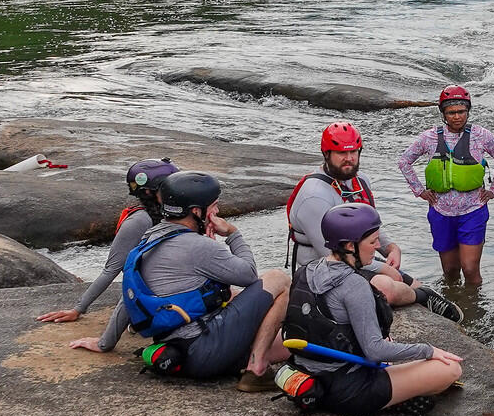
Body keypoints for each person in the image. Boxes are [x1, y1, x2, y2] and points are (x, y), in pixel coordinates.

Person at [70, 170, 291, 390]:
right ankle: (257, 370)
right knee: (278, 279)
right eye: (214, 205)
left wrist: (105, 343)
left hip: (175, 353)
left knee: (273, 331)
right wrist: (233, 234)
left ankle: (253, 356)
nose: (217, 210)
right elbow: (249, 275)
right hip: (206, 350)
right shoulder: (199, 247)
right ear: (196, 211)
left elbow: (131, 297)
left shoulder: (150, 238)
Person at [278, 203, 464, 416]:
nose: (377, 247)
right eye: (372, 241)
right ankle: (394, 400)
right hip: (347, 391)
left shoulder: (306, 270)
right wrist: (428, 350)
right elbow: (374, 351)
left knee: (387, 343)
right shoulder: (354, 286)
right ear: (349, 245)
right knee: (450, 369)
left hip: (307, 377)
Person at [286, 121, 417, 308]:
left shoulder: (360, 180)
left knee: (412, 282)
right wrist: (383, 268)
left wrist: (391, 248)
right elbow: (334, 254)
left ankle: (423, 295)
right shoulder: (314, 196)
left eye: (353, 152)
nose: (349, 158)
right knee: (387, 287)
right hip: (322, 273)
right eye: (341, 153)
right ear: (326, 154)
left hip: (358, 259)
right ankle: (419, 296)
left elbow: (368, 227)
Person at [36, 157, 177, 325]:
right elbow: (111, 269)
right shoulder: (139, 221)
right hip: (150, 296)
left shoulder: (171, 215)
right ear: (148, 192)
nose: (175, 192)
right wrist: (78, 309)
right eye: (168, 188)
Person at [398, 86, 494, 287]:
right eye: (451, 113)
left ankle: (474, 311)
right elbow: (404, 161)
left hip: (473, 210)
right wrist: (420, 191)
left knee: (470, 269)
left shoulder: (481, 135)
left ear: (468, 111)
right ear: (443, 114)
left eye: (461, 112)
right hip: (441, 212)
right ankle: (453, 308)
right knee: (450, 271)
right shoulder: (429, 137)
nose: (457, 117)